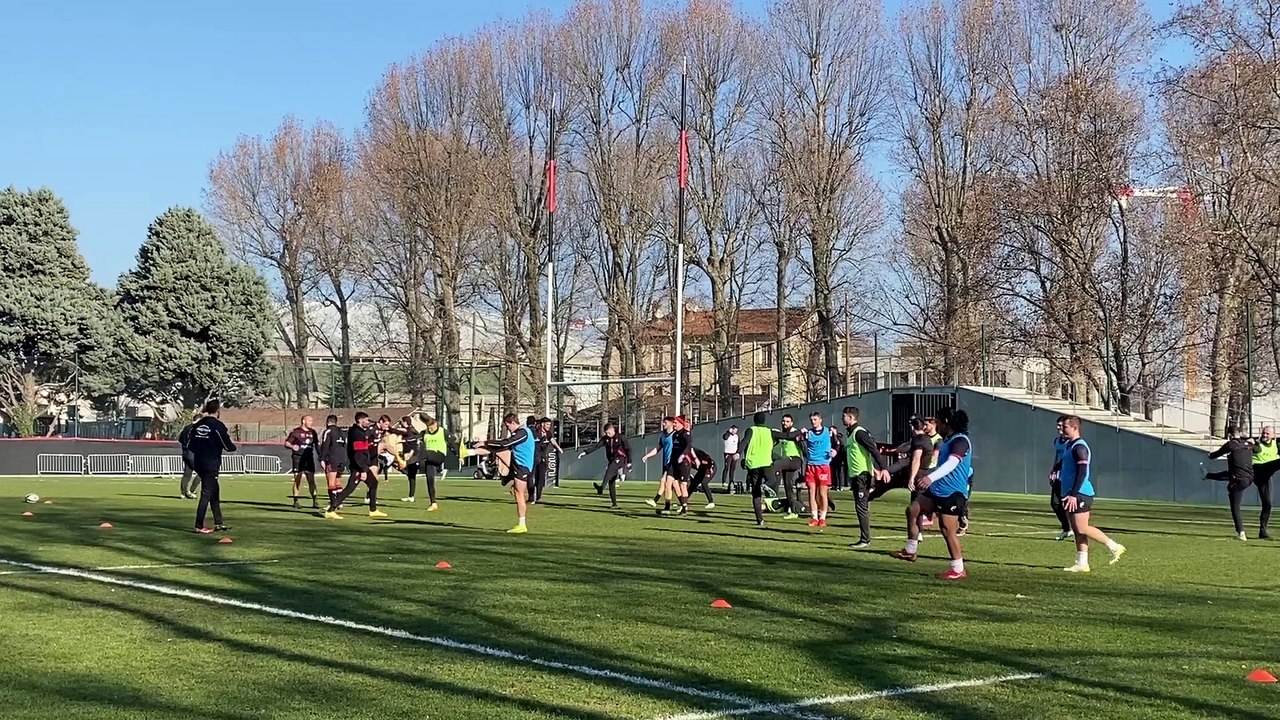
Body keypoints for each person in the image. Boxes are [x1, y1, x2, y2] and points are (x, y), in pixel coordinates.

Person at [891, 407, 972, 580]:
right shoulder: (948, 440)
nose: (935, 424)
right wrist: (930, 475)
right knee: (913, 509)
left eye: (937, 421)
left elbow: (952, 464)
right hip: (938, 490)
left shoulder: (961, 441)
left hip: (952, 493)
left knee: (947, 529)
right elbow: (943, 465)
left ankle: (958, 569)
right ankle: (910, 551)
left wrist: (930, 477)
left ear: (946, 422)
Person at [1057, 415, 1126, 571]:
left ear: (1075, 427)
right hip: (1070, 493)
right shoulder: (1069, 445)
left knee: (1082, 528)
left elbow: (1082, 473)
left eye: (1065, 427)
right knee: (1076, 530)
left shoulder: (1079, 447)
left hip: (1080, 493)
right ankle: (1082, 563)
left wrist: (1074, 494)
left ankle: (1114, 546)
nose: (1061, 429)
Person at [471, 413, 537, 533]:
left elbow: (506, 443)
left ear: (513, 423)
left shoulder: (523, 432)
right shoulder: (519, 432)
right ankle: (468, 452)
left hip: (522, 467)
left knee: (519, 493)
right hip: (515, 463)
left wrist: (485, 442)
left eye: (508, 426)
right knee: (496, 448)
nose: (508, 429)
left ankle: (522, 525)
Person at [186, 399, 236, 534]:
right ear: (218, 411)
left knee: (214, 492)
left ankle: (219, 522)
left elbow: (189, 443)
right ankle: (198, 525)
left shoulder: (197, 425)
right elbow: (228, 446)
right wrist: (232, 445)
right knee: (206, 494)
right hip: (211, 463)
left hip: (199, 463)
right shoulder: (218, 426)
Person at [323, 412, 385, 520]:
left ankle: (373, 509)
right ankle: (331, 509)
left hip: (361, 465)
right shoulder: (357, 433)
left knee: (373, 483)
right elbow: (358, 453)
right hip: (359, 466)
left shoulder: (358, 431)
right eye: (366, 420)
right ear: (361, 421)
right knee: (349, 489)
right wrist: (363, 470)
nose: (367, 422)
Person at [843, 406, 889, 548]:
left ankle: (865, 540)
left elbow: (873, 450)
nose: (842, 418)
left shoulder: (859, 433)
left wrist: (884, 468)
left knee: (861, 507)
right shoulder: (851, 434)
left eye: (844, 416)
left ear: (851, 418)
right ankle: (864, 538)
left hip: (862, 476)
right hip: (857, 476)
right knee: (860, 506)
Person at [1206, 425, 1256, 541]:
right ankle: (1207, 476)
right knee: (1230, 474)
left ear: (1229, 435)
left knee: (1235, 505)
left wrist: (1209, 455)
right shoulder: (1248, 445)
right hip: (1249, 478)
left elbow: (1215, 455)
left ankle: (1241, 533)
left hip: (1238, 480)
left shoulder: (1231, 445)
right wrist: (1252, 442)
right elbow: (1258, 449)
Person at [578, 422, 631, 508]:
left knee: (609, 470)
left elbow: (628, 449)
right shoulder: (605, 439)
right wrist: (585, 452)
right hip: (611, 460)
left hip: (620, 458)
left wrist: (629, 461)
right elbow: (596, 446)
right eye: (606, 433)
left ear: (612, 430)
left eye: (608, 432)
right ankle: (614, 504)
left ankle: (601, 488)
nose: (607, 434)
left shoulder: (621, 437)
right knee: (611, 481)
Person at [800, 412, 837, 528]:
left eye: (815, 419)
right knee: (811, 492)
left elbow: (838, 443)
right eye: (811, 420)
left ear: (820, 420)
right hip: (811, 465)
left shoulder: (828, 432)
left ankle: (823, 518)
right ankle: (814, 517)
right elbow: (801, 443)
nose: (813, 422)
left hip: (823, 466)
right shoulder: (808, 433)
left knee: (822, 493)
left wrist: (835, 451)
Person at [740, 412, 776, 527]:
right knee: (772, 480)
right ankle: (766, 485)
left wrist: (738, 453)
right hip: (766, 462)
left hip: (753, 463)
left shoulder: (751, 430)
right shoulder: (769, 431)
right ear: (764, 420)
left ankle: (760, 520)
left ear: (754, 420)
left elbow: (744, 442)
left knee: (756, 494)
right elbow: (781, 438)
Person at [770, 414, 805, 519]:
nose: (785, 423)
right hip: (787, 463)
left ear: (792, 423)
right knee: (788, 487)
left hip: (795, 460)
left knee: (776, 464)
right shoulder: (782, 434)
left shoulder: (795, 432)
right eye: (784, 421)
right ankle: (793, 510)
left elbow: (803, 447)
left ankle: (768, 483)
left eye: (787, 421)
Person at [1047, 415, 1073, 541]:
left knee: (1070, 505)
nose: (1059, 428)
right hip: (1058, 477)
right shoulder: (1057, 441)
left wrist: (1057, 469)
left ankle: (1078, 530)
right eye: (1058, 426)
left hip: (1067, 477)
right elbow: (1057, 457)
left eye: (1061, 425)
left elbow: (1065, 460)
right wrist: (1053, 471)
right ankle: (1067, 529)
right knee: (1055, 504)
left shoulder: (1072, 442)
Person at [285, 415, 320, 510]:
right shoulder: (296, 432)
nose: (311, 422)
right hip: (298, 458)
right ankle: (296, 501)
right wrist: (292, 446)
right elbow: (287, 443)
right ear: (303, 421)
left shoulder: (313, 432)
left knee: (311, 480)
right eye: (309, 420)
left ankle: (315, 500)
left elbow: (316, 445)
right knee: (298, 479)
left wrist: (321, 457)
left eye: (312, 420)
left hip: (308, 458)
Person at [416, 415, 449, 512]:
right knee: (429, 480)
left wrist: (459, 455)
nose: (429, 430)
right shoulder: (424, 433)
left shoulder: (443, 431)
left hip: (439, 455)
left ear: (435, 424)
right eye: (427, 428)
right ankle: (433, 503)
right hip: (429, 458)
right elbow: (414, 438)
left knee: (424, 453)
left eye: (431, 427)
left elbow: (453, 442)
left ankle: (408, 462)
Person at [1251, 426, 1277, 539]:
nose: (1265, 435)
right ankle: (1209, 475)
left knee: (1268, 503)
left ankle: (1263, 531)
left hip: (1266, 476)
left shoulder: (1276, 445)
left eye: (1267, 434)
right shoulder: (1257, 445)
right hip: (1257, 471)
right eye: (1263, 433)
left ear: (1273, 435)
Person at [316, 414, 346, 510]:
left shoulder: (328, 431)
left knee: (331, 482)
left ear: (328, 422)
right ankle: (340, 502)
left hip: (332, 459)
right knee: (338, 481)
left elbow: (325, 446)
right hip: (342, 459)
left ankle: (333, 503)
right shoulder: (341, 432)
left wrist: (322, 459)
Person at [397, 415, 423, 504]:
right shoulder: (409, 430)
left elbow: (415, 442)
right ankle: (411, 496)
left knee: (411, 476)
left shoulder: (410, 430)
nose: (400, 424)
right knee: (410, 475)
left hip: (412, 455)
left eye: (402, 422)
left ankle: (411, 496)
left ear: (406, 422)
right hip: (407, 455)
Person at [177, 417, 198, 499]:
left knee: (187, 474)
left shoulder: (186, 428)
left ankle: (183, 493)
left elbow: (180, 439)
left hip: (185, 453)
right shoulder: (196, 429)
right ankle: (192, 491)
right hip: (192, 454)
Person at [721, 426, 742, 494]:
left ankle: (731, 481)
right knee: (727, 467)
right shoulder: (727, 435)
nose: (735, 431)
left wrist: (738, 453)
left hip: (734, 453)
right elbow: (725, 437)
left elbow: (739, 444)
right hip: (728, 453)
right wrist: (728, 432)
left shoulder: (737, 436)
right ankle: (724, 481)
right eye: (734, 430)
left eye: (736, 430)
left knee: (733, 468)